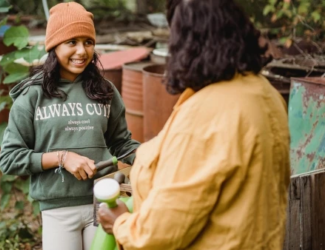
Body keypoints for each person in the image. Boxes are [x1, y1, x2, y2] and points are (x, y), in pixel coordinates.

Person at [98, 0, 291, 249]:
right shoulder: (267, 95)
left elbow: (163, 230)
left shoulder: (207, 114)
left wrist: (121, 224)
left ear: (187, 44)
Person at [0, 2, 140, 250]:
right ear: (54, 46)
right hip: (58, 209)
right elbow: (9, 158)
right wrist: (62, 158)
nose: (81, 51)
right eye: (71, 42)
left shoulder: (105, 91)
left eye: (88, 42)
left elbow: (121, 144)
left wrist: (154, 154)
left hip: (103, 201)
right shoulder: (32, 95)